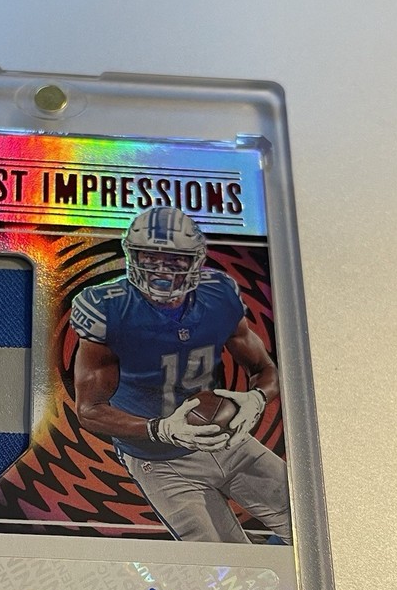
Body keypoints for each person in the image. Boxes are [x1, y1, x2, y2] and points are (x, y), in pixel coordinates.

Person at [70, 206, 291, 544]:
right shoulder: (107, 309)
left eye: (173, 259)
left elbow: (264, 369)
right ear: (132, 255)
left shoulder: (219, 294)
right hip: (157, 459)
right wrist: (161, 429)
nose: (161, 271)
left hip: (227, 437)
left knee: (312, 522)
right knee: (220, 560)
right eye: (150, 257)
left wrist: (256, 399)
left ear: (195, 260)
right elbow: (89, 410)